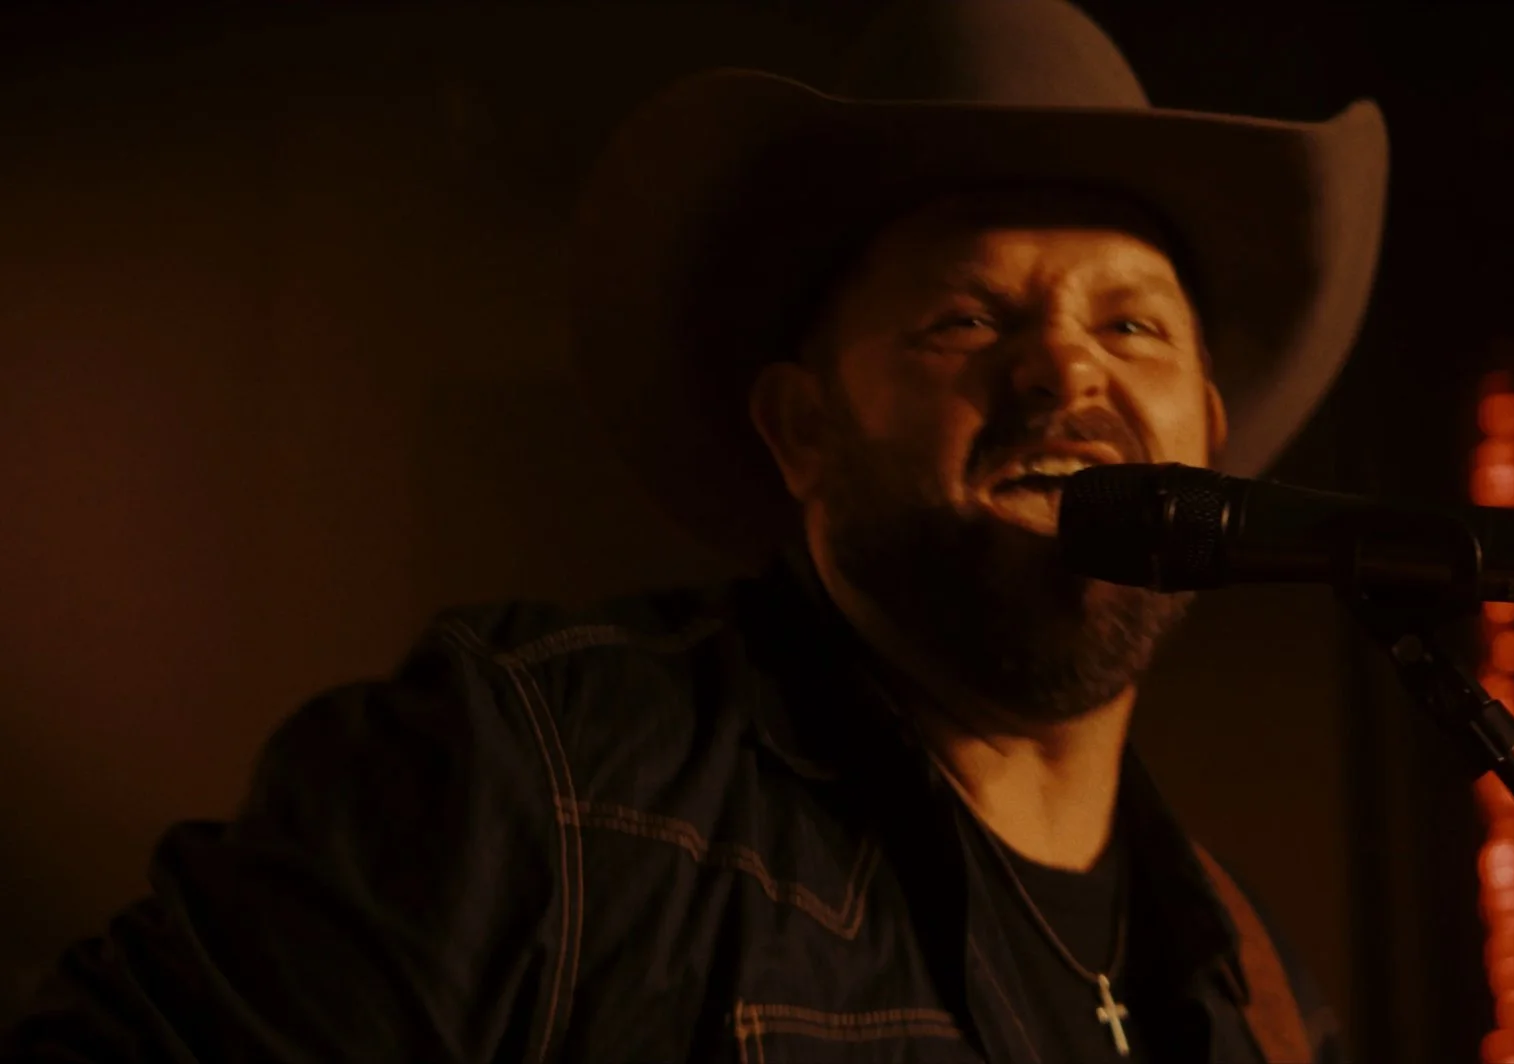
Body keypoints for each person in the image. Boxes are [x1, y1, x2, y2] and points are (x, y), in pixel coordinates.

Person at [0, 0, 1387, 1060]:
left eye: (1129, 324)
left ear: (1204, 429)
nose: (1062, 375)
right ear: (802, 430)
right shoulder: (531, 784)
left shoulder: (1254, 988)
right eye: (967, 317)